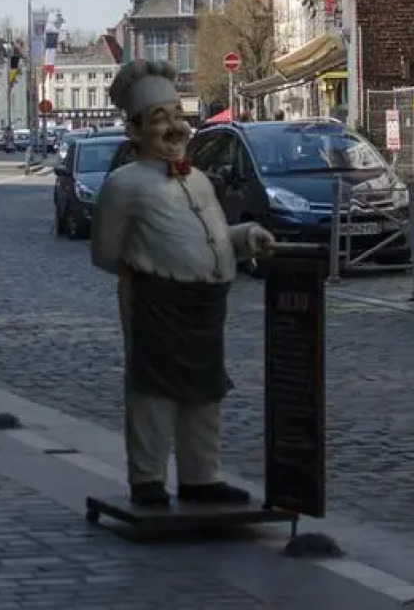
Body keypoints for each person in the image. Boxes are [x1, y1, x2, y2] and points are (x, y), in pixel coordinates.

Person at [90, 59, 275, 509]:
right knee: (154, 392)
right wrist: (149, 269)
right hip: (158, 298)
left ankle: (201, 477)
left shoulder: (198, 179)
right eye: (159, 120)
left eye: (177, 116)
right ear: (134, 131)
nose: (174, 127)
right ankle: (148, 479)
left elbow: (212, 237)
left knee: (206, 393)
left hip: (205, 303)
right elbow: (105, 252)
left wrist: (245, 239)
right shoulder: (124, 184)